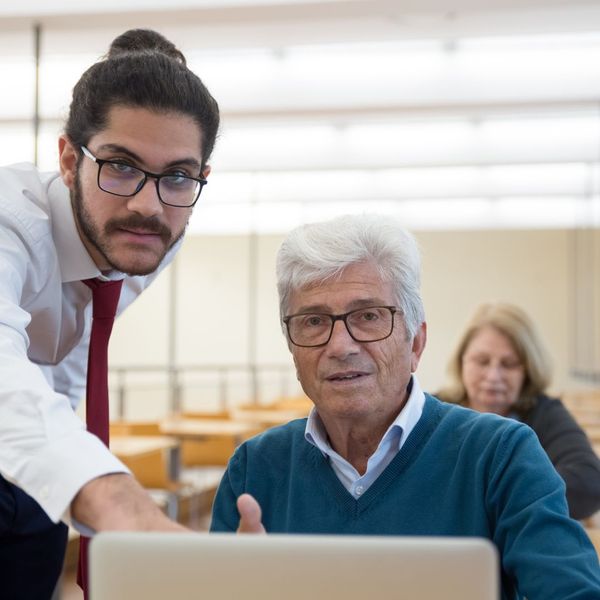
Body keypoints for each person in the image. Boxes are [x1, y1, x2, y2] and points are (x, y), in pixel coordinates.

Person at [210, 214, 600, 599]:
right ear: (293, 348)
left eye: (368, 316)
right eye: (313, 321)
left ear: (415, 343)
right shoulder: (254, 470)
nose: (340, 346)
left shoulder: (501, 455)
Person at [0, 29, 219, 598]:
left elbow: (69, 364)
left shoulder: (153, 235)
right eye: (120, 166)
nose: (147, 205)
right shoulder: (9, 221)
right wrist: (122, 505)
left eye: (177, 175)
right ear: (69, 159)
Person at [437, 302, 600, 521]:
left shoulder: (544, 413)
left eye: (509, 364)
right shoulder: (434, 411)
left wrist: (493, 500)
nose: (493, 376)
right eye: (482, 361)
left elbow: (588, 483)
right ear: (462, 362)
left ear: (529, 370)